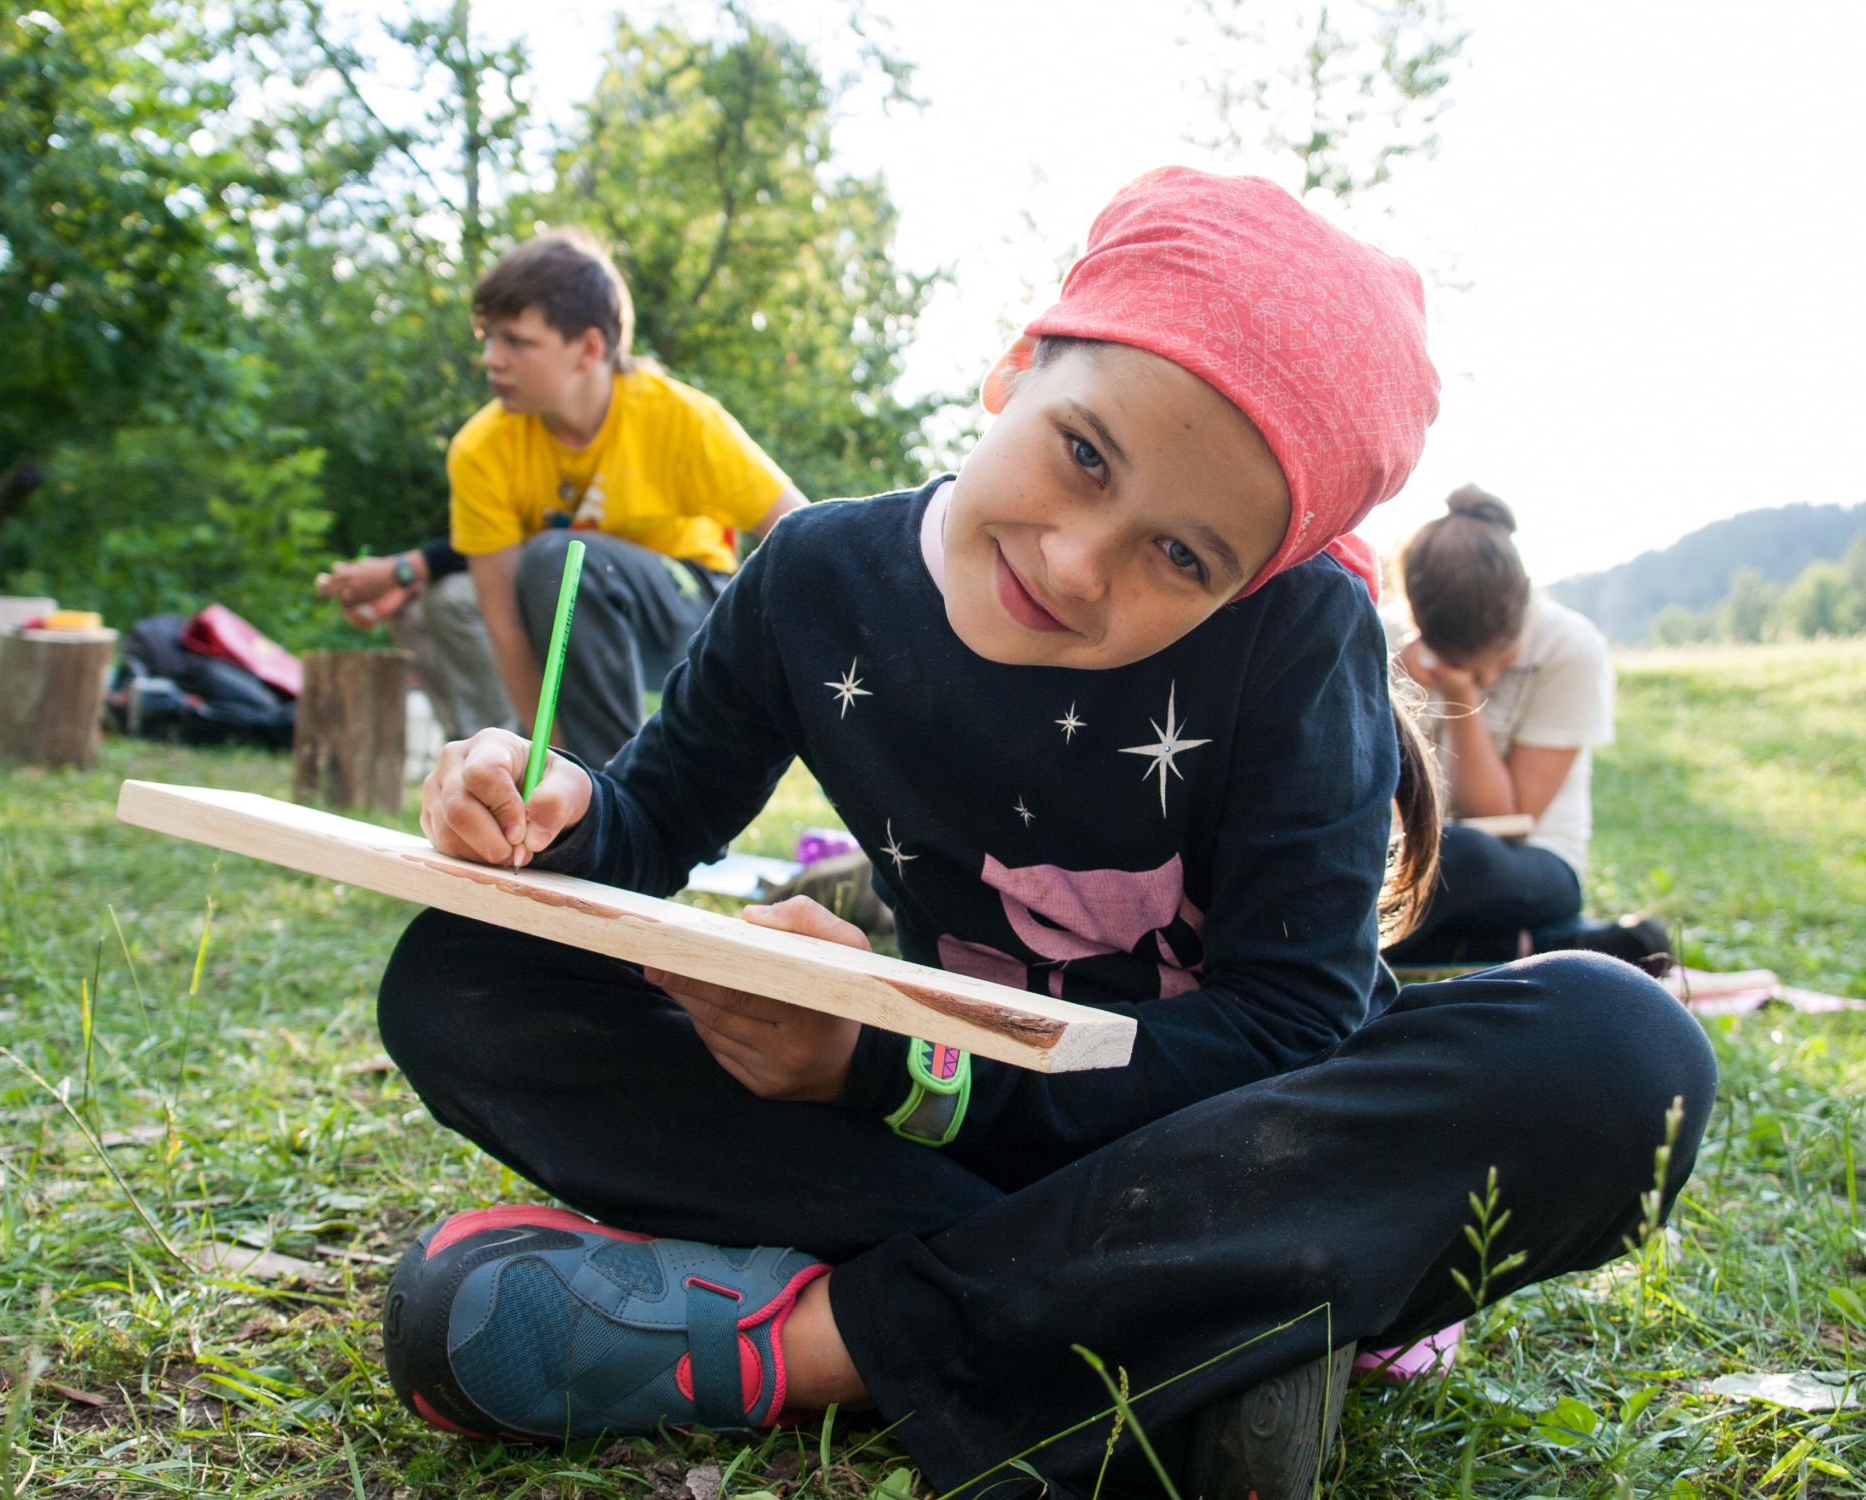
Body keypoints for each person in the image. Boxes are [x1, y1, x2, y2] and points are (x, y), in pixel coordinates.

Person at [372, 169, 1715, 1499]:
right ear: (1016, 364)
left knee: (1624, 1053)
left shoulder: (1295, 640)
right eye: (1085, 453)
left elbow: (1292, 1031)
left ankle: (820, 1345)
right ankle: (1216, 1310)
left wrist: (897, 1066)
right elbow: (649, 821)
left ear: (1259, 574)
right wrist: (539, 809)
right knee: (462, 975)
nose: (1081, 564)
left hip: (1213, 1138)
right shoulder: (818, 580)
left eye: (1183, 558)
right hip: (978, 1156)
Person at [316, 229, 806, 759]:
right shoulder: (480, 449)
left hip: (691, 607)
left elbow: (805, 537)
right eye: (487, 337)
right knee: (456, 597)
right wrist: (548, 758)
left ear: (588, 349)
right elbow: (503, 625)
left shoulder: (680, 418)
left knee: (562, 558)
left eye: (516, 341)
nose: (491, 359)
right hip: (573, 604)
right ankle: (554, 777)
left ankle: (630, 796)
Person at [1383, 487, 1669, 970]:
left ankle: (1346, 945)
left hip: (1529, 864)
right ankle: (1532, 948)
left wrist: (1460, 693)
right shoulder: (1383, 635)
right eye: (1464, 663)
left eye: (1497, 660)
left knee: (1456, 857)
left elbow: (1502, 815)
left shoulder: (1570, 647)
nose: (1490, 679)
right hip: (1411, 859)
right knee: (1385, 862)